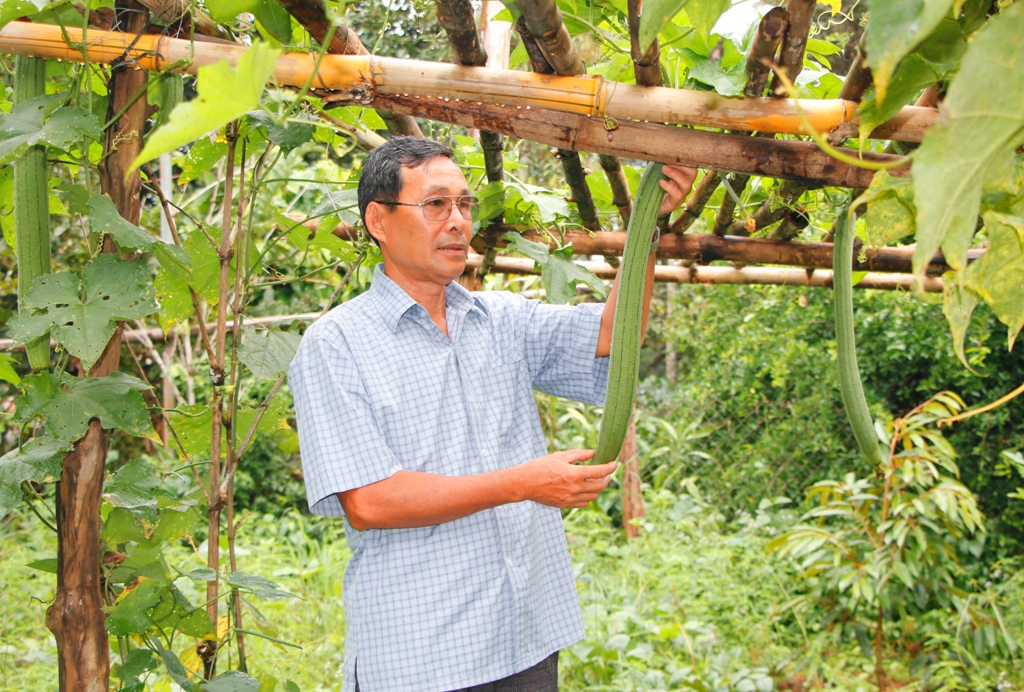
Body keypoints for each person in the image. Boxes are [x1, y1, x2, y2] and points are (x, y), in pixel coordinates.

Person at [289, 136, 696, 691]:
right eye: (435, 204)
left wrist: (646, 222)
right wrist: (525, 482)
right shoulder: (337, 343)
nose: (457, 221)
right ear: (378, 221)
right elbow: (370, 501)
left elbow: (612, 335)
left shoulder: (501, 320)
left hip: (524, 637)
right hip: (422, 658)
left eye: (464, 204)